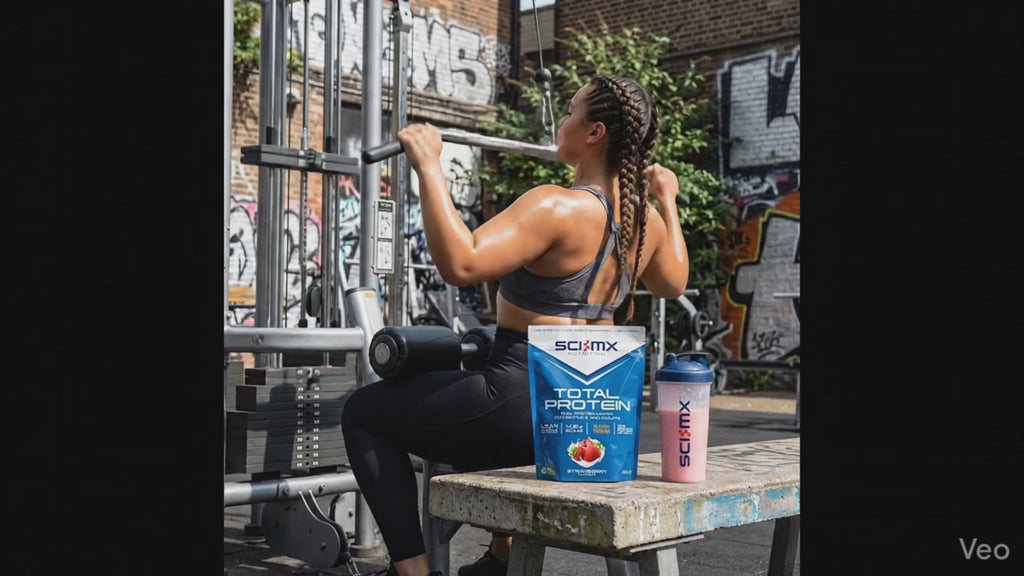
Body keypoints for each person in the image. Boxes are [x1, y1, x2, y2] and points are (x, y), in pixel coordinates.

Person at [341, 74, 690, 576]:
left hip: (524, 404)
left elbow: (462, 263)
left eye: (570, 112)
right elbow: (674, 283)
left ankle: (412, 573)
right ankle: (500, 557)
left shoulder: (555, 205)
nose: (561, 122)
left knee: (364, 411)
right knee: (471, 384)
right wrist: (668, 200)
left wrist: (428, 166)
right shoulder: (646, 224)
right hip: (593, 417)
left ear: (594, 133)